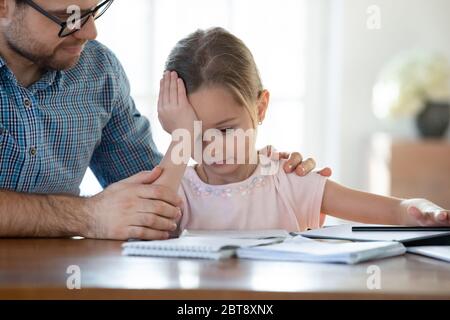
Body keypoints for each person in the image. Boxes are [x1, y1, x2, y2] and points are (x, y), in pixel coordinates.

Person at [0, 0, 327, 240]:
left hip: (54, 281)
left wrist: (267, 181)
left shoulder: (98, 72)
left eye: (93, 10)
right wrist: (86, 215)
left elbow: (160, 202)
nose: (90, 31)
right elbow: (101, 216)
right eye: (65, 17)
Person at [155, 27, 450, 232]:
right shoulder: (177, 190)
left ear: (260, 108)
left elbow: (391, 211)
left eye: (226, 131)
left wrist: (416, 207)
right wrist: (180, 139)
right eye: (194, 135)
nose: (213, 149)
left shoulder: (288, 181)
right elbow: (147, 227)